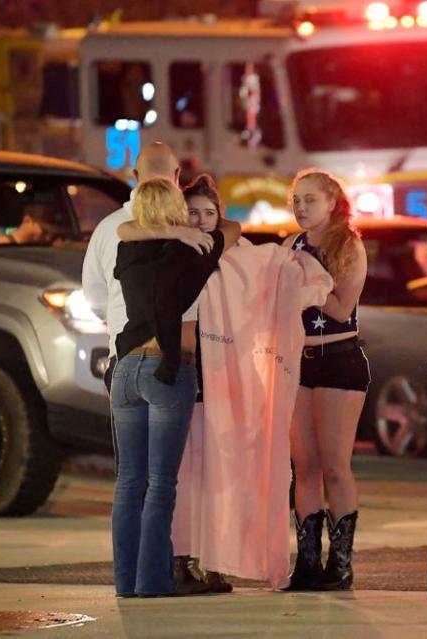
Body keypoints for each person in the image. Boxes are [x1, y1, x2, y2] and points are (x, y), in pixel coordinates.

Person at [110, 178, 242, 597]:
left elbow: (125, 229)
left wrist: (170, 227)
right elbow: (234, 230)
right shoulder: (192, 251)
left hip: (125, 369)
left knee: (130, 481)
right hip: (167, 370)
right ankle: (153, 581)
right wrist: (188, 231)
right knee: (161, 483)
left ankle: (126, 582)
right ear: (174, 212)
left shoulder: (128, 248)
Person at [281, 169, 370, 592]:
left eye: (310, 199)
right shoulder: (290, 246)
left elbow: (340, 307)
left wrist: (310, 282)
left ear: (333, 202)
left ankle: (341, 564)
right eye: (296, 200)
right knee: (306, 467)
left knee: (335, 465)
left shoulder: (347, 244)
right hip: (300, 362)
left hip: (339, 359)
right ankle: (308, 562)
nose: (301, 207)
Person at [82, 142, 210, 394]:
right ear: (176, 176)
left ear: (136, 176)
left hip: (125, 361)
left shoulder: (107, 229)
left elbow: (96, 301)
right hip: (176, 362)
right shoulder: (195, 232)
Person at [0, 204, 66, 245]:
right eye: (44, 230)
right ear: (27, 221)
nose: (49, 237)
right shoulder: (3, 243)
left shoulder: (38, 247)